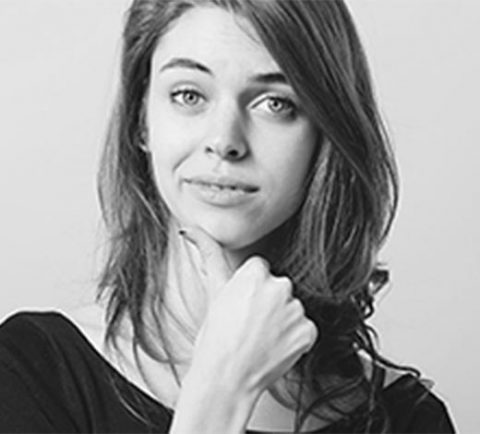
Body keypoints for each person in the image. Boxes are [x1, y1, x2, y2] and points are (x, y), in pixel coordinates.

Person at [0, 0, 456, 433]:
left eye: (275, 103)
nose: (224, 141)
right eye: (188, 95)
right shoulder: (30, 370)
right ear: (142, 122)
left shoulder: (409, 419)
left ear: (325, 134)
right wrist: (222, 390)